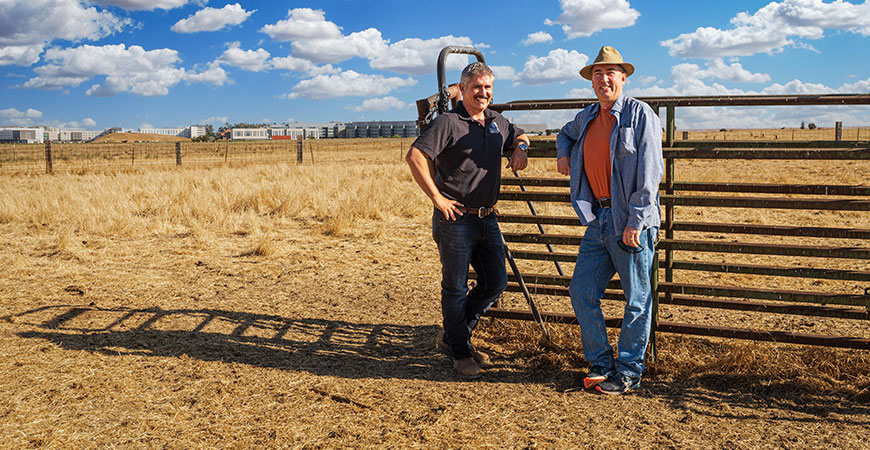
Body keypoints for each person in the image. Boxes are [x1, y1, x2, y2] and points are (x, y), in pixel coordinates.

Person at [406, 61, 530, 380]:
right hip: (456, 218)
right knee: (456, 287)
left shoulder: (495, 121)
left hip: (487, 219)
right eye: (476, 87)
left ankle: (453, 336)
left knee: (495, 282)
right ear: (462, 90)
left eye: (488, 87)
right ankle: (461, 352)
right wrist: (437, 198)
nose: (483, 93)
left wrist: (521, 148)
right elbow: (415, 156)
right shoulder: (449, 122)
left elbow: (521, 135)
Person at [555, 46, 663, 394]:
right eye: (597, 74)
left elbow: (650, 170)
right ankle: (601, 363)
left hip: (628, 220)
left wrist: (638, 220)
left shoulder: (639, 114)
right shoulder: (586, 117)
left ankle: (629, 372)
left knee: (636, 298)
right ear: (592, 81)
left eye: (610, 73)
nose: (604, 79)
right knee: (581, 290)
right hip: (598, 218)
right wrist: (563, 153)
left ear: (623, 78)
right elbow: (564, 133)